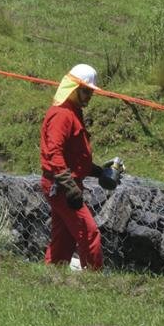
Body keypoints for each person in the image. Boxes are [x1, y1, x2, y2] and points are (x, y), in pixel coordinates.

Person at [40, 64, 121, 271]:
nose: (90, 96)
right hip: (61, 185)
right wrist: (69, 186)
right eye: (86, 91)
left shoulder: (73, 112)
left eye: (91, 92)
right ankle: (94, 281)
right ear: (73, 88)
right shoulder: (63, 115)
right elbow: (54, 153)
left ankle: (52, 277)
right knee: (89, 232)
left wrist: (98, 171)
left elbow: (74, 156)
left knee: (64, 238)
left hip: (64, 183)